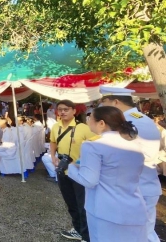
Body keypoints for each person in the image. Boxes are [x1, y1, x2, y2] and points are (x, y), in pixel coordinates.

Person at [66, 106, 146, 242]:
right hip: (135, 207)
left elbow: (89, 180)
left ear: (101, 123)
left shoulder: (92, 146)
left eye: (90, 118)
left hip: (104, 209)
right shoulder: (136, 145)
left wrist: (70, 167)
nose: (88, 120)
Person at [99, 86, 162, 242]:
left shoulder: (127, 122)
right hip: (144, 185)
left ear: (115, 102)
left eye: (103, 102)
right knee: (144, 231)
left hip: (135, 188)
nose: (101, 106)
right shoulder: (141, 118)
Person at [49, 100, 96, 242]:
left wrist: (83, 160)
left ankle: (86, 235)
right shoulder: (55, 127)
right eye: (60, 109)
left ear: (74, 111)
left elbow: (96, 145)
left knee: (83, 206)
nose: (63, 112)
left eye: (66, 109)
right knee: (71, 204)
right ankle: (77, 229)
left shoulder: (84, 128)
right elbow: (52, 142)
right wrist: (53, 156)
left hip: (80, 172)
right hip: (63, 171)